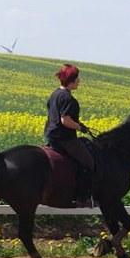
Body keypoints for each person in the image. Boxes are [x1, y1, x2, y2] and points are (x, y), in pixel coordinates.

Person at [43, 64, 95, 206]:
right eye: (77, 78)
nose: (79, 81)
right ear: (71, 80)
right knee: (89, 162)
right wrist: (79, 127)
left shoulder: (55, 94)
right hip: (64, 138)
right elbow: (65, 120)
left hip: (51, 136)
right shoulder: (68, 99)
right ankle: (82, 198)